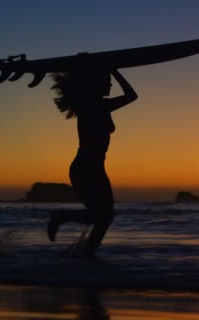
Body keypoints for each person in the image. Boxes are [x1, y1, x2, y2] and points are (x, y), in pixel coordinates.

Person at [47, 67, 137, 256]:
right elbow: (131, 95)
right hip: (86, 167)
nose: (111, 84)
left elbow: (131, 96)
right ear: (96, 84)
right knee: (103, 215)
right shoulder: (93, 105)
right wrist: (114, 71)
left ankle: (88, 253)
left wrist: (111, 71)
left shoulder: (97, 104)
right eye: (108, 81)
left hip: (93, 167)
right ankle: (61, 217)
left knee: (104, 216)